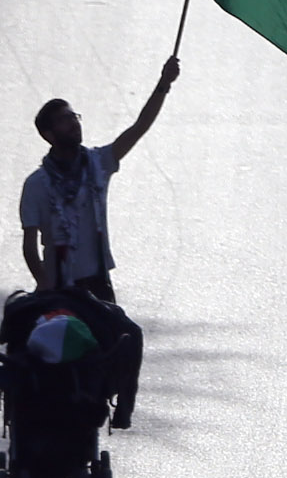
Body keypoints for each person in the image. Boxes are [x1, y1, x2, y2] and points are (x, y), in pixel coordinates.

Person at [19, 55, 180, 305]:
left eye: (74, 117)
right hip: (60, 288)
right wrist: (44, 284)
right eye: (64, 120)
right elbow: (30, 246)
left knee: (124, 340)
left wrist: (163, 84)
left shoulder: (98, 163)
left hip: (99, 284)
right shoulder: (36, 185)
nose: (73, 123)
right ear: (48, 135)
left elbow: (140, 127)